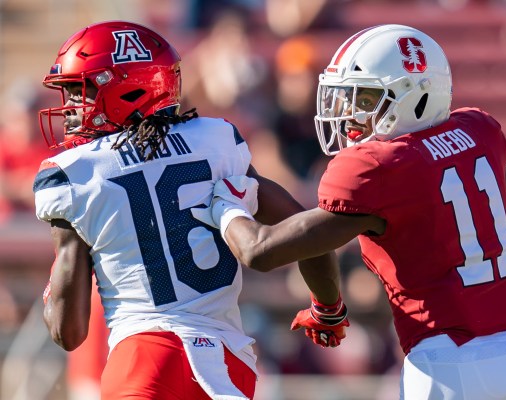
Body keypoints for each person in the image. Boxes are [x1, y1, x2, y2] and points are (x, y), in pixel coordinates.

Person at [204, 25, 506, 399]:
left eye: (364, 100)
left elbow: (261, 250)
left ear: (417, 100)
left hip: (448, 363)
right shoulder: (475, 139)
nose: (349, 114)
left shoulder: (384, 168)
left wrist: (224, 203)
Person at [33, 20, 345, 400]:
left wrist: (54, 284)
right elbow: (305, 232)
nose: (69, 108)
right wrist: (328, 307)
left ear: (127, 89)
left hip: (141, 362)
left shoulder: (75, 173)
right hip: (229, 364)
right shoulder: (216, 141)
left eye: (79, 92)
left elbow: (69, 332)